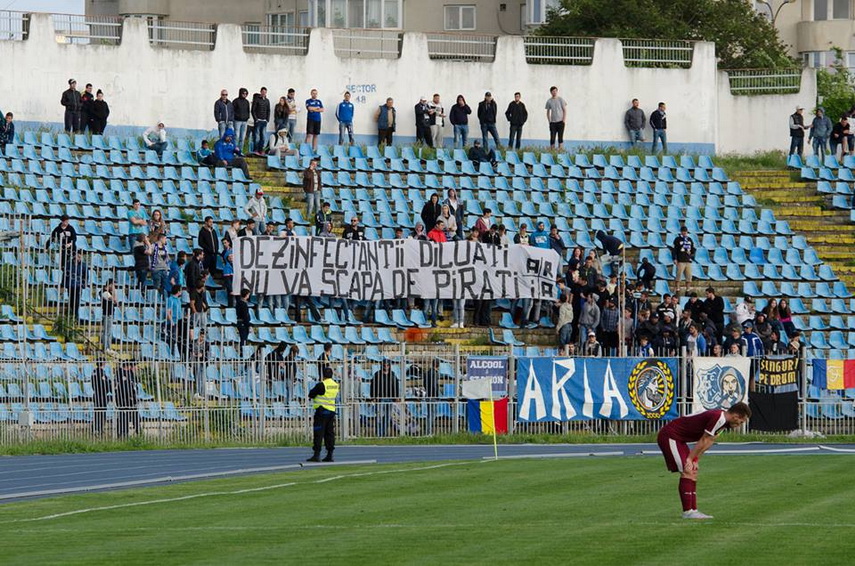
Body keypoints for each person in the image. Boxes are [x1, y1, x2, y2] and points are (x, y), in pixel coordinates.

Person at [656, 402, 751, 519]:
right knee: (688, 471)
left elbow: (710, 441)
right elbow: (703, 439)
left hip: (680, 440)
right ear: (736, 416)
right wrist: (690, 459)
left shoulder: (724, 423)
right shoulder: (719, 418)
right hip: (670, 436)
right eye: (741, 422)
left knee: (693, 471)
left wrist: (696, 459)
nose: (739, 425)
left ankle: (693, 510)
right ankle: (688, 512)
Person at [306, 366, 339, 462]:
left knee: (318, 433)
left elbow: (311, 394)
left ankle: (316, 454)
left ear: (323, 375)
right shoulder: (336, 385)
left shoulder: (321, 385)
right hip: (331, 411)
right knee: (329, 433)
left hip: (321, 411)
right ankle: (330, 454)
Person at [672, 225, 696, 294]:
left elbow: (693, 248)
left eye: (685, 231)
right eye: (683, 231)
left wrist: (691, 252)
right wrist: (674, 258)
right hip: (680, 260)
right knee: (678, 276)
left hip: (688, 260)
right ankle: (678, 289)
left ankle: (687, 290)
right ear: (681, 232)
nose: (684, 233)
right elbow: (674, 250)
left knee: (689, 276)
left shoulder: (689, 239)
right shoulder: (677, 239)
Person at [91, 364, 111, 435]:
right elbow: (106, 384)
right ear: (103, 364)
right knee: (102, 413)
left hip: (96, 394)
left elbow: (93, 384)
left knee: (97, 412)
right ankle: (99, 429)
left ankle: (95, 428)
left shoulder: (94, 372)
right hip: (102, 395)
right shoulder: (102, 373)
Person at [251, 86, 270, 154]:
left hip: (264, 121)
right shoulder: (256, 99)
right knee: (257, 137)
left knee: (263, 137)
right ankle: (256, 150)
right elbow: (253, 110)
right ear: (260, 92)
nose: (264, 93)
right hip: (258, 121)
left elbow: (268, 110)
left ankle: (261, 149)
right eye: (263, 92)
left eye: (265, 92)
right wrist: (256, 119)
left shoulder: (267, 100)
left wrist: (267, 119)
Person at [101, 279, 117, 353]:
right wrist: (114, 292)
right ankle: (106, 347)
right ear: (110, 284)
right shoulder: (104, 292)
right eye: (113, 285)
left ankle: (109, 347)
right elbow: (113, 299)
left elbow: (116, 302)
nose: (114, 287)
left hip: (110, 314)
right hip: (107, 314)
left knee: (109, 332)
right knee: (107, 332)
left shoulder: (109, 292)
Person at [305, 88, 324, 153]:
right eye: (313, 93)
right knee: (309, 135)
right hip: (310, 119)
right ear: (311, 94)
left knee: (316, 135)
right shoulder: (308, 101)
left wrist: (314, 109)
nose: (315, 94)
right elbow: (309, 108)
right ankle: (306, 149)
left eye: (316, 93)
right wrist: (317, 108)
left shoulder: (319, 101)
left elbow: (322, 109)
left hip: (318, 119)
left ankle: (314, 149)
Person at [233, 88, 251, 152]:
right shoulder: (236, 101)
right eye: (243, 93)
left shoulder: (247, 102)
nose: (245, 95)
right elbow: (233, 111)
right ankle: (234, 150)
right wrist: (237, 116)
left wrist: (247, 117)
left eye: (246, 93)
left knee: (242, 137)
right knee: (236, 137)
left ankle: (240, 151)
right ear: (240, 93)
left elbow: (248, 111)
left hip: (245, 122)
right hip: (237, 121)